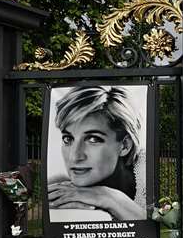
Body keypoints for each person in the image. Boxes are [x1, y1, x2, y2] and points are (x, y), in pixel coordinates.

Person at [48, 85, 147, 220]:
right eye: (68, 139)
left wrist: (108, 197)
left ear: (125, 145)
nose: (74, 156)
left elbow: (158, 229)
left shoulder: (147, 171)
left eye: (93, 139)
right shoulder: (61, 187)